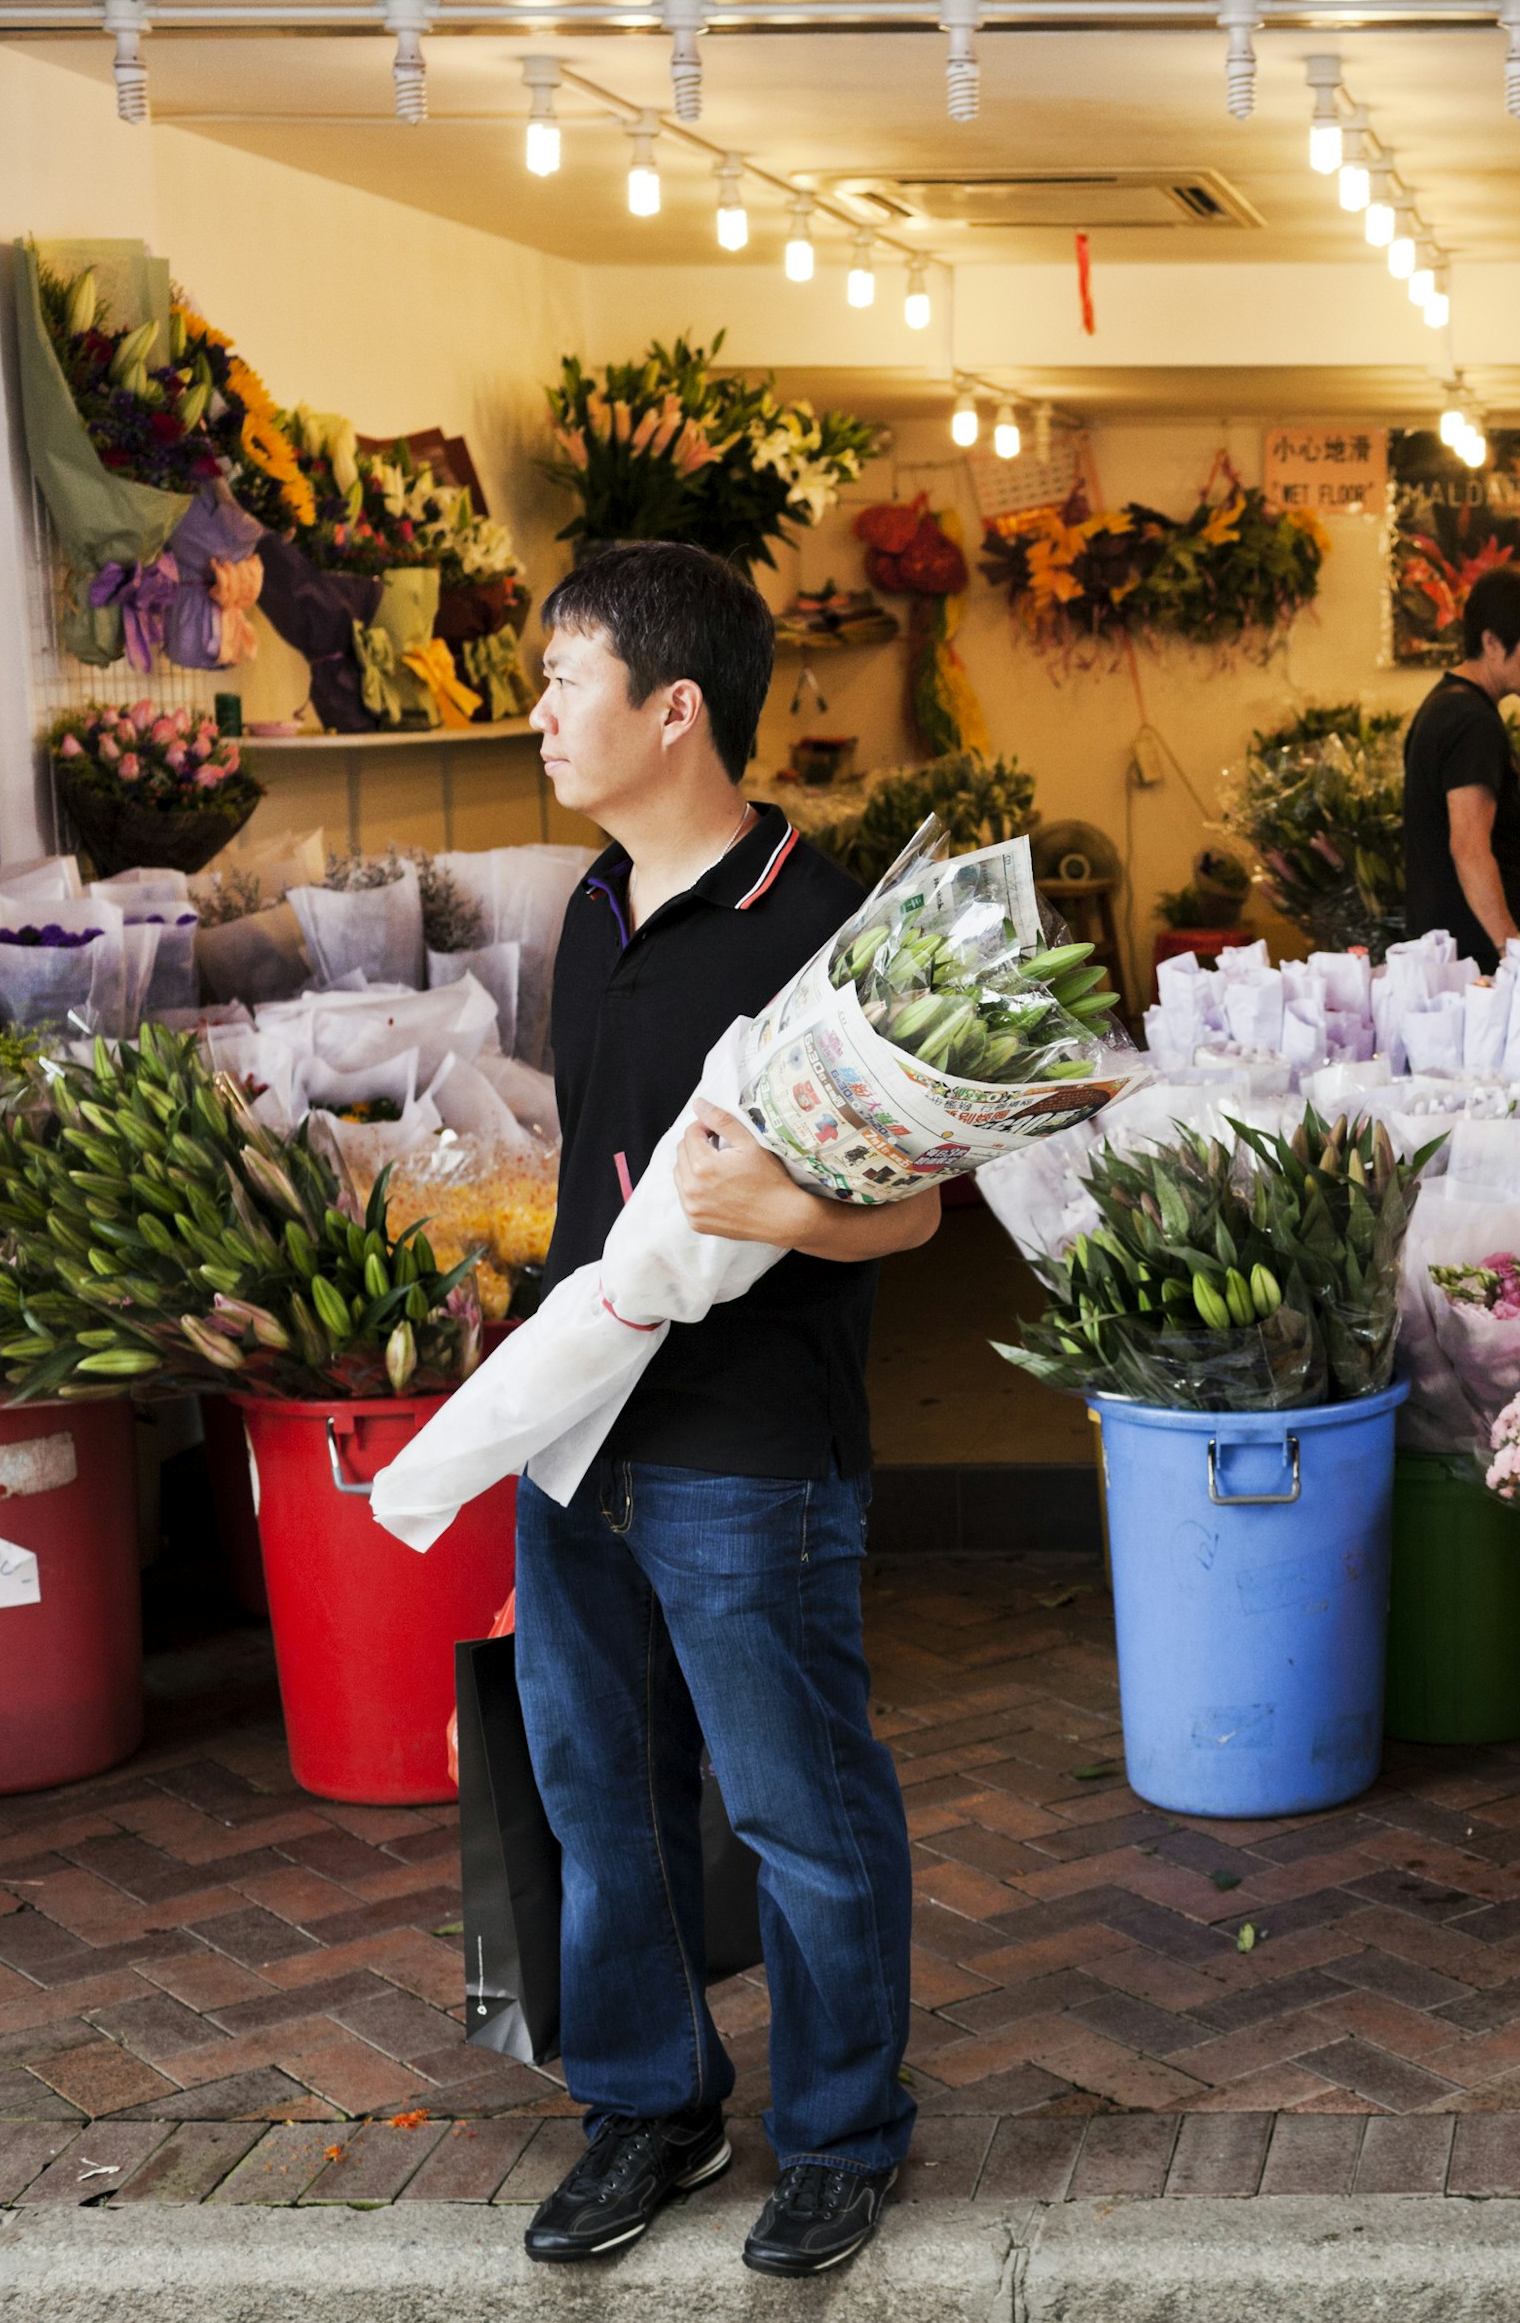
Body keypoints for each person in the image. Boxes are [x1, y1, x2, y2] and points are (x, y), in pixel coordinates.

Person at [517, 542, 939, 2279]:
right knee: (598, 1796)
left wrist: (790, 1217)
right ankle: (649, 2107)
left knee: (794, 1805)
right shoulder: (590, 909)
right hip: (577, 1428)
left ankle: (841, 2134)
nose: (538, 709)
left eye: (565, 678)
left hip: (751, 1450)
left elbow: (915, 1206)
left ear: (672, 707)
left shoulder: (826, 923)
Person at [1401, 565, 1520, 972]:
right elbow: (1470, 847)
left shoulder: (1449, 706)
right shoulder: (1470, 721)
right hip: (1477, 961)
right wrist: (1512, 951)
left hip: (1460, 953)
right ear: (1492, 641)